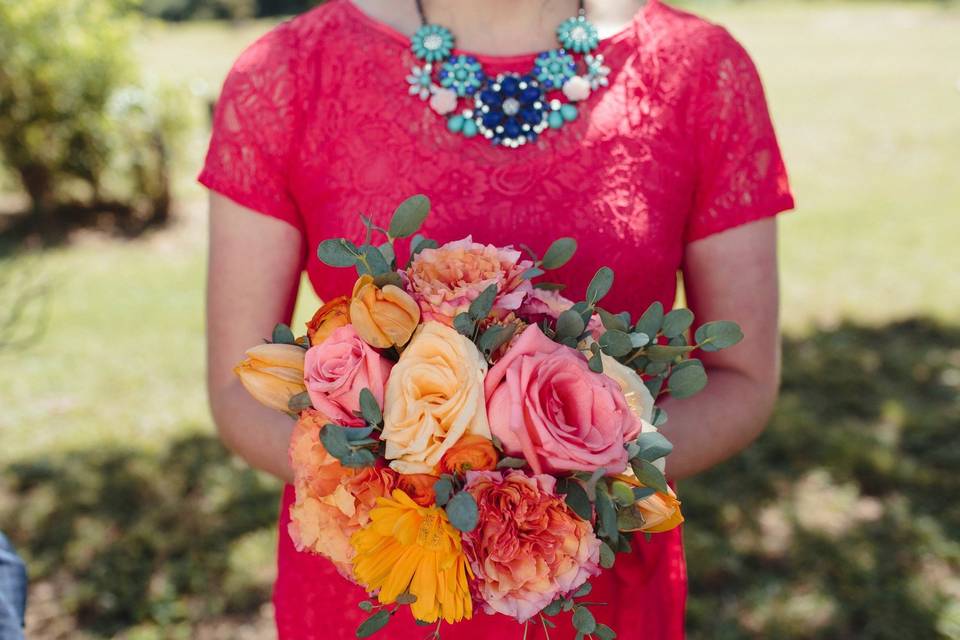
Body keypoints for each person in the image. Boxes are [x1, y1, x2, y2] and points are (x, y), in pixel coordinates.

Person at [200, 0, 793, 637]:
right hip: (385, 573)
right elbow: (241, 391)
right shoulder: (288, 73)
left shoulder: (701, 72)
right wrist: (417, 490)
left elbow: (741, 378)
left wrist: (573, 484)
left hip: (594, 594)